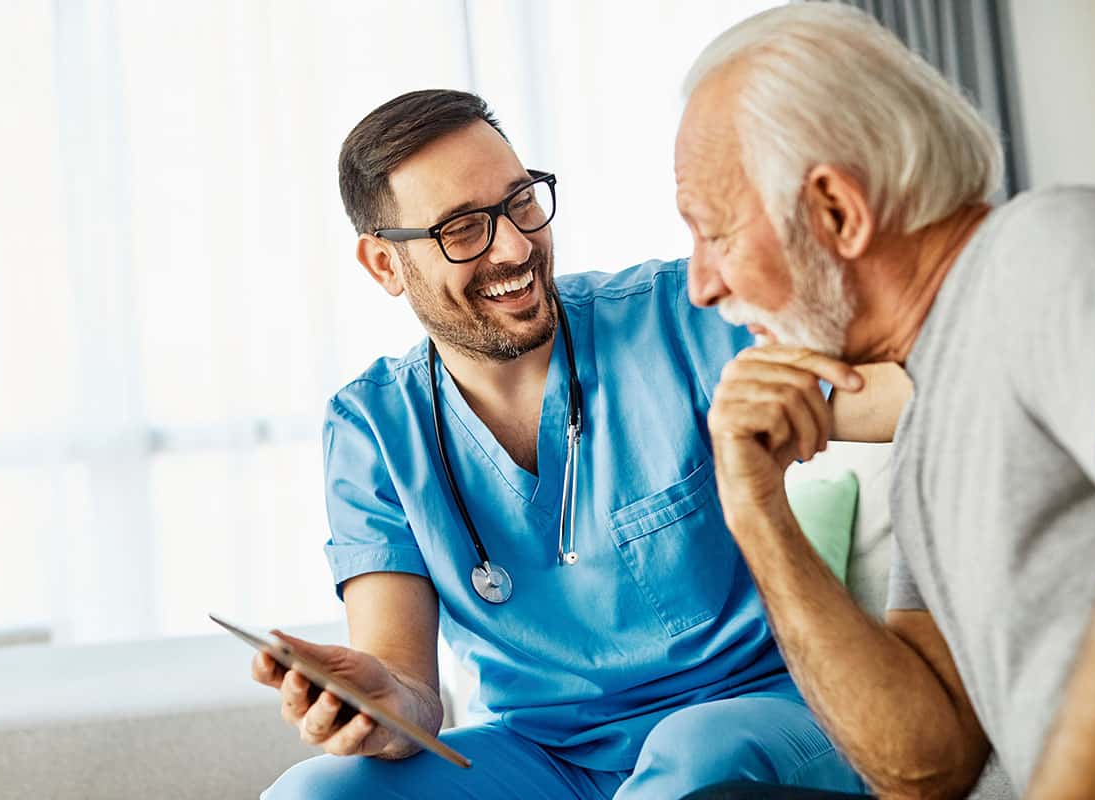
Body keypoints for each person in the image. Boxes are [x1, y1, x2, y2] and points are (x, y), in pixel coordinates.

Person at [251, 89, 893, 799]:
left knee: (693, 753)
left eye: (521, 201)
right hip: (543, 757)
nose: (516, 246)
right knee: (314, 793)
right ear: (383, 265)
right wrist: (382, 703)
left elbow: (891, 398)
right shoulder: (372, 428)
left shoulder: (675, 319)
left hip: (756, 715)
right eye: (463, 229)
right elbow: (410, 698)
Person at [674, 5, 1095, 800]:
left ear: (837, 211)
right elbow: (924, 767)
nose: (703, 286)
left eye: (716, 233)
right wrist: (755, 511)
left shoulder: (1040, 249)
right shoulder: (931, 426)